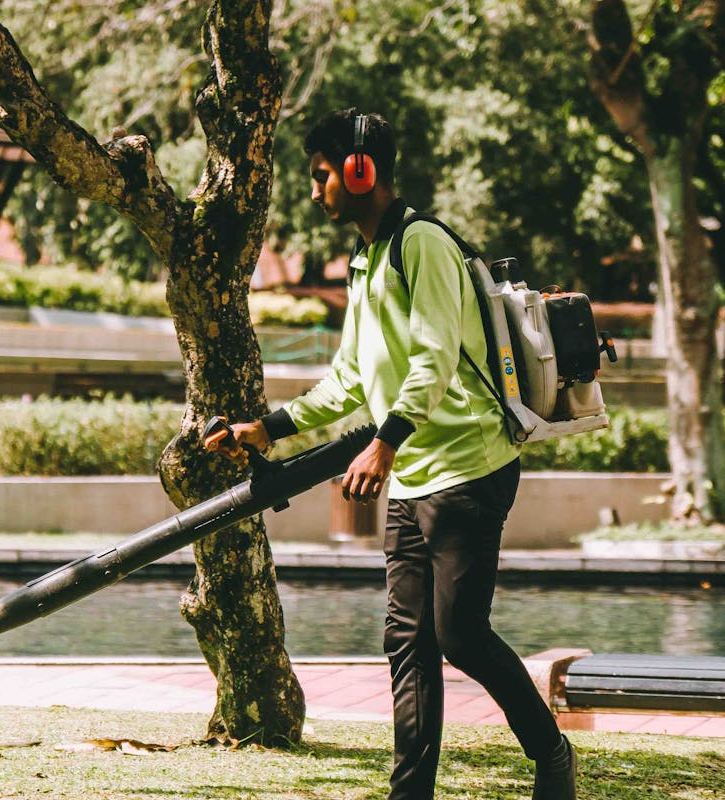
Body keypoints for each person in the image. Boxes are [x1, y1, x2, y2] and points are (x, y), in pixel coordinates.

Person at [222, 109, 577, 799]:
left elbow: (437, 355)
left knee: (460, 635)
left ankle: (552, 752)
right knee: (407, 642)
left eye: (323, 173)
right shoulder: (367, 259)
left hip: (470, 464)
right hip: (416, 472)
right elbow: (351, 378)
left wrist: (384, 443)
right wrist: (269, 426)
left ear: (361, 170)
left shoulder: (423, 244)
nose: (317, 187)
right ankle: (409, 791)